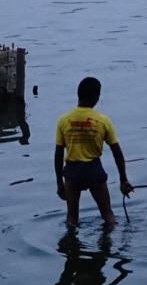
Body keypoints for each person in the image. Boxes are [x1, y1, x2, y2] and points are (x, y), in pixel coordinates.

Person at [55, 76, 132, 227]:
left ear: (78, 95)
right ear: (97, 98)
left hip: (72, 172)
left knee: (71, 218)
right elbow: (117, 152)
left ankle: (71, 248)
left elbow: (58, 155)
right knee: (108, 216)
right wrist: (123, 179)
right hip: (93, 170)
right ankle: (109, 244)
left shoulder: (64, 120)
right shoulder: (103, 121)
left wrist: (59, 183)